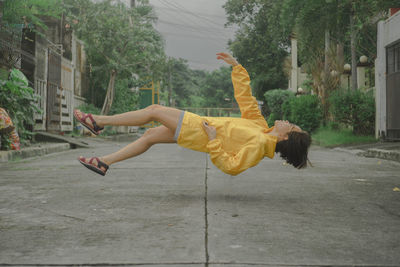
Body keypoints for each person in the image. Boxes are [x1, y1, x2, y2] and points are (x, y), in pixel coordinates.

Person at [74, 53, 311, 176]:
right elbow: (246, 99)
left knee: (154, 110)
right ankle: (105, 162)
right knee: (150, 135)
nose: (288, 122)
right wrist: (237, 67)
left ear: (285, 138)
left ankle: (98, 122)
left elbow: (231, 166)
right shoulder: (261, 127)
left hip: (198, 130)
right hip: (198, 129)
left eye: (291, 127)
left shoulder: (259, 145)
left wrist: (212, 140)